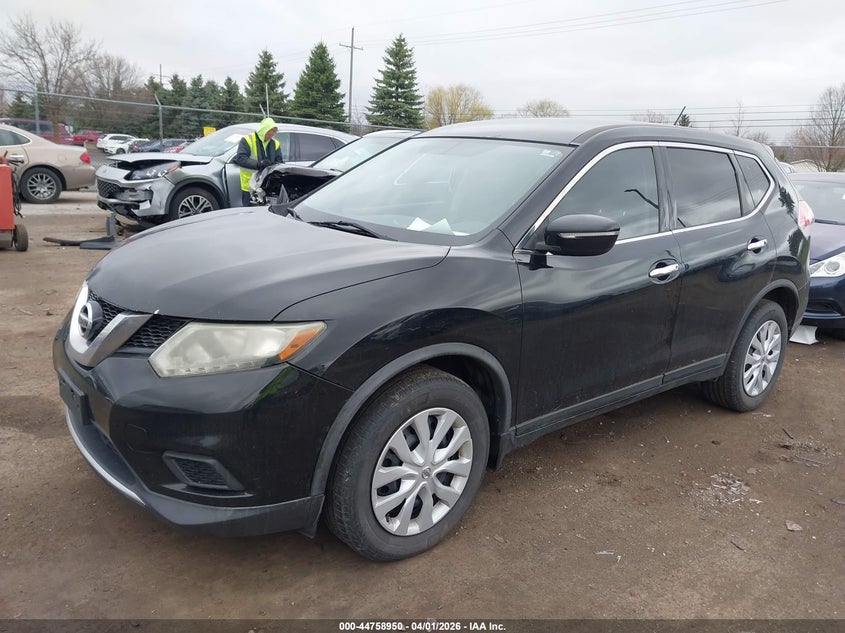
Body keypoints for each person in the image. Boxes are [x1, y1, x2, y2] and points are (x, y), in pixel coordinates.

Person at [233, 117, 284, 206]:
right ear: (263, 131)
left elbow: (280, 162)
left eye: (272, 135)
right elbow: (240, 158)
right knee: (249, 213)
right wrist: (259, 164)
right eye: (269, 134)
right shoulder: (247, 140)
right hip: (249, 186)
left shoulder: (275, 143)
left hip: (266, 187)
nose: (270, 137)